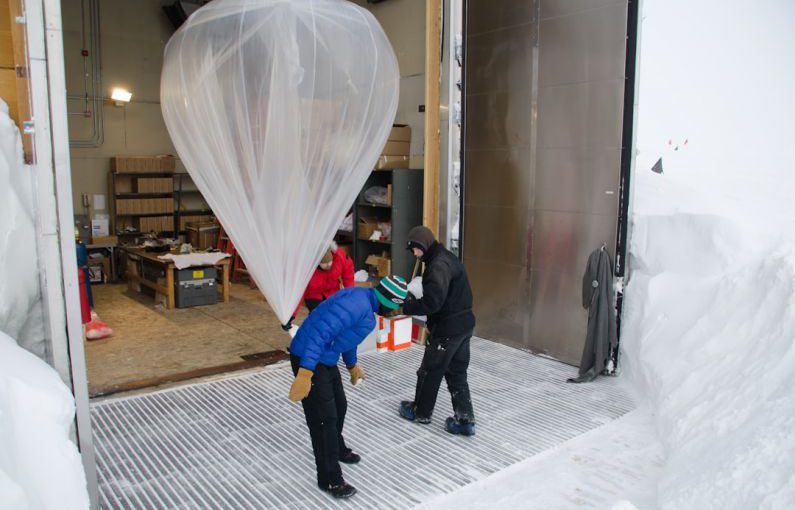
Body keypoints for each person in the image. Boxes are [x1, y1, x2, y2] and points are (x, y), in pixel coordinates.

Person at [287, 275, 409, 498]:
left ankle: (337, 449)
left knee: (339, 407)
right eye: (394, 307)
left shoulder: (365, 306)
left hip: (325, 357)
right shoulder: (356, 304)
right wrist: (305, 372)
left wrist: (352, 365)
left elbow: (346, 338)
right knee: (324, 419)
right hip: (309, 357)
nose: (393, 313)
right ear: (388, 300)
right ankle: (330, 479)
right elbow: (319, 333)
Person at [398, 226, 477, 436]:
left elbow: (433, 303)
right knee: (457, 372)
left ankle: (420, 412)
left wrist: (407, 307)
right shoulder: (446, 258)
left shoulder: (437, 267)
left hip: (448, 329)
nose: (413, 254)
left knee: (430, 371)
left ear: (422, 246)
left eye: (414, 249)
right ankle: (465, 420)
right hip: (464, 324)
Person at [293, 243, 355, 316]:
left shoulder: (339, 256)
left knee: (338, 312)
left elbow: (348, 276)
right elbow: (298, 293)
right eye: (325, 263)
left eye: (330, 261)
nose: (329, 264)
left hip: (333, 291)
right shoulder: (305, 269)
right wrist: (292, 315)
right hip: (313, 295)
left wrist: (350, 294)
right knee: (319, 316)